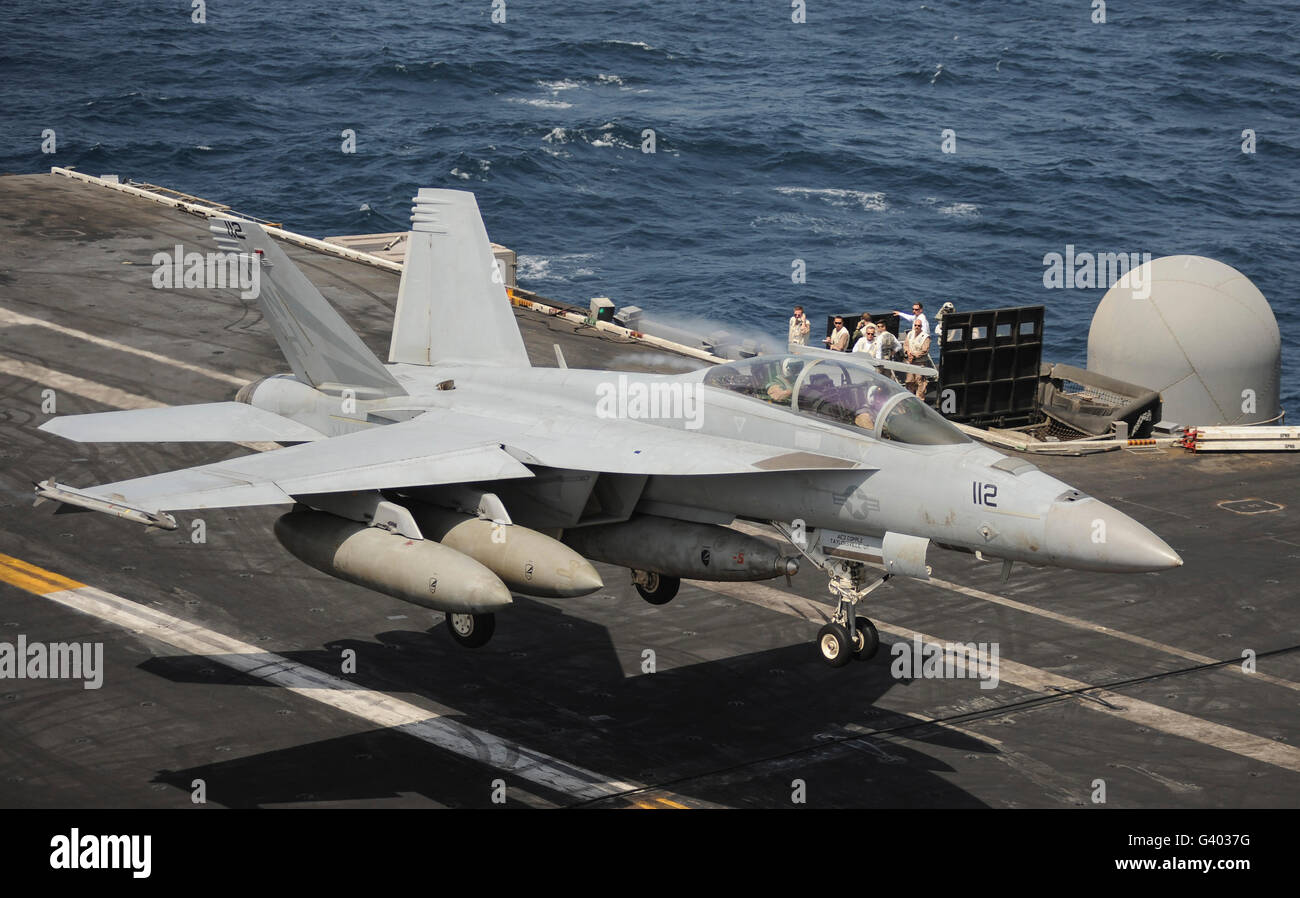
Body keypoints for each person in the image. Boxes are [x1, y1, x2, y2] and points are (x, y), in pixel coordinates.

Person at [904, 317, 933, 400]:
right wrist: (907, 352)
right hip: (910, 362)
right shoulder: (910, 334)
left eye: (919, 326)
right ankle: (910, 398)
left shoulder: (925, 337)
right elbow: (906, 344)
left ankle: (920, 399)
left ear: (921, 327)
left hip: (920, 363)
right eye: (915, 325)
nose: (917, 327)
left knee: (920, 382)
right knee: (909, 381)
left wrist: (913, 355)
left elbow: (924, 350)